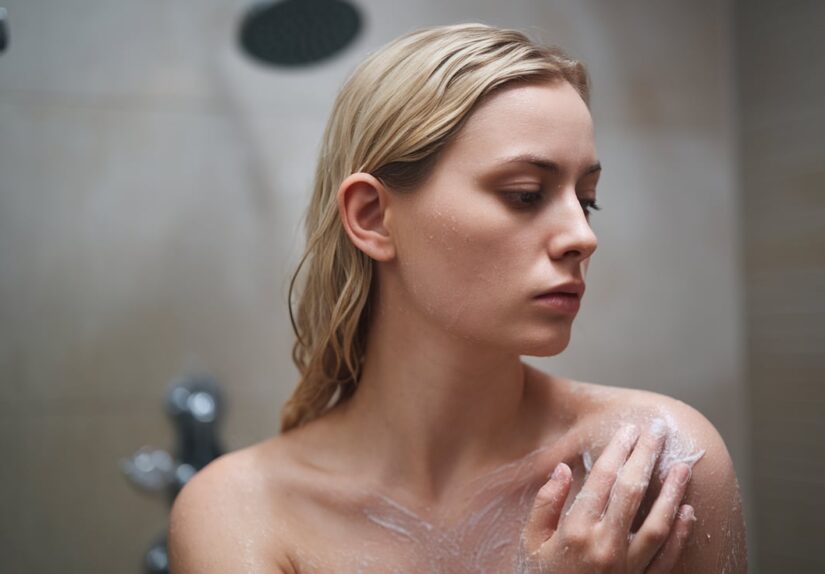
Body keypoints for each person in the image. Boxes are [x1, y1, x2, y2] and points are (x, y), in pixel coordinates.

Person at [168, 23, 747, 573]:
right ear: (372, 217)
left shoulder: (655, 467)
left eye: (587, 199)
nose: (583, 236)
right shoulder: (240, 513)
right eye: (525, 194)